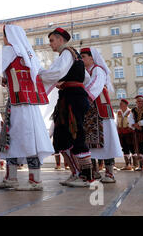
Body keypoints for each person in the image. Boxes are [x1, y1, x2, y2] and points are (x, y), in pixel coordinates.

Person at [0, 25, 54, 191]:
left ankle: (31, 181)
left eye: (4, 36)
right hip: (30, 103)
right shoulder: (30, 54)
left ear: (9, 37)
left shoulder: (10, 50)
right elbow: (32, 75)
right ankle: (15, 178)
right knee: (20, 138)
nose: (3, 39)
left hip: (17, 104)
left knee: (15, 138)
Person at [38, 28, 92, 187]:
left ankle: (86, 177)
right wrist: (68, 83)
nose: (50, 44)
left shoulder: (68, 53)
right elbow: (86, 78)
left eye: (52, 40)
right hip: (69, 97)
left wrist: (39, 75)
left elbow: (56, 72)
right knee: (62, 137)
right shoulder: (73, 56)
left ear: (60, 40)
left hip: (73, 98)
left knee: (77, 135)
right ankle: (76, 173)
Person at [80, 48, 122, 183]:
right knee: (89, 142)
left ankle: (110, 173)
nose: (81, 59)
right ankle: (95, 172)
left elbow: (95, 85)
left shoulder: (98, 70)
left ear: (92, 58)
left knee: (107, 141)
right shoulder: (86, 72)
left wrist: (81, 96)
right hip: (90, 111)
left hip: (101, 110)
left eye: (84, 57)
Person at [116, 99, 136, 170]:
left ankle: (135, 165)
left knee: (132, 148)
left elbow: (133, 122)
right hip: (121, 133)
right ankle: (127, 165)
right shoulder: (118, 112)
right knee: (125, 149)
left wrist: (131, 129)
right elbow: (117, 123)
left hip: (129, 133)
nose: (120, 105)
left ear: (126, 105)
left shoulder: (130, 112)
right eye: (120, 104)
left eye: (121, 104)